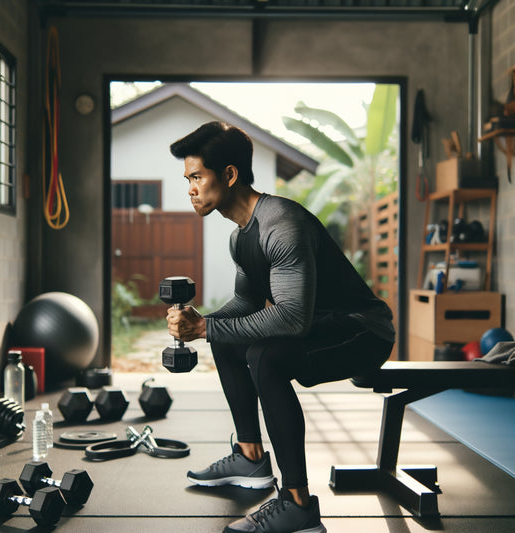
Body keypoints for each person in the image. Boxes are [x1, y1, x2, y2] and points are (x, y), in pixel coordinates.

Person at [167, 121, 395, 533]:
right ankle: (251, 457)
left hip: (365, 330)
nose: (191, 188)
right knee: (228, 336)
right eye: (189, 179)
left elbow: (291, 317)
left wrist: (205, 329)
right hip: (322, 326)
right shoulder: (241, 237)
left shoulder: (280, 224)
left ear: (230, 174)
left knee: (265, 356)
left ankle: (298, 505)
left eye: (197, 177)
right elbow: (246, 305)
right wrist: (201, 322)